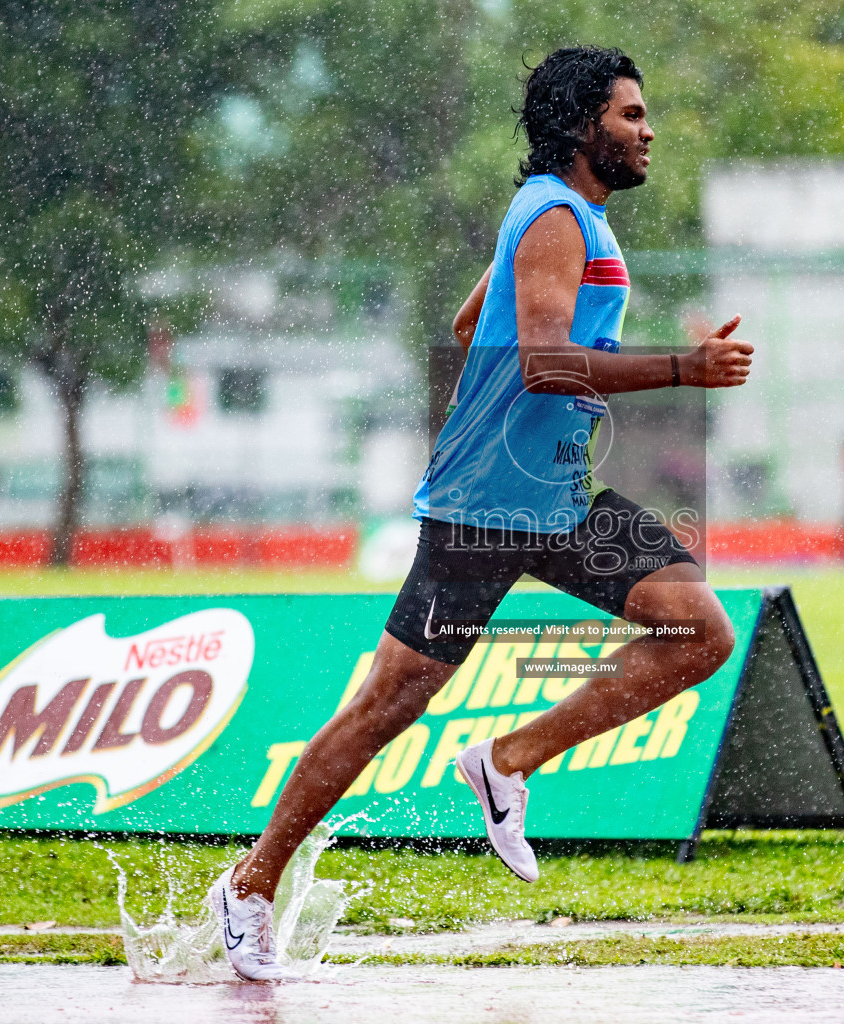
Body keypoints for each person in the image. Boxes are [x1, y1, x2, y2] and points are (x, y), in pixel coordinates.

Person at [208, 45, 753, 981]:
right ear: (584, 128)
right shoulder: (553, 216)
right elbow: (539, 362)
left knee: (699, 632)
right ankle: (250, 885)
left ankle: (506, 762)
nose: (647, 129)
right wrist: (681, 369)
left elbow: (477, 326)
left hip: (560, 499)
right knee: (389, 705)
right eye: (630, 115)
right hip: (484, 510)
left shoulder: (566, 217)